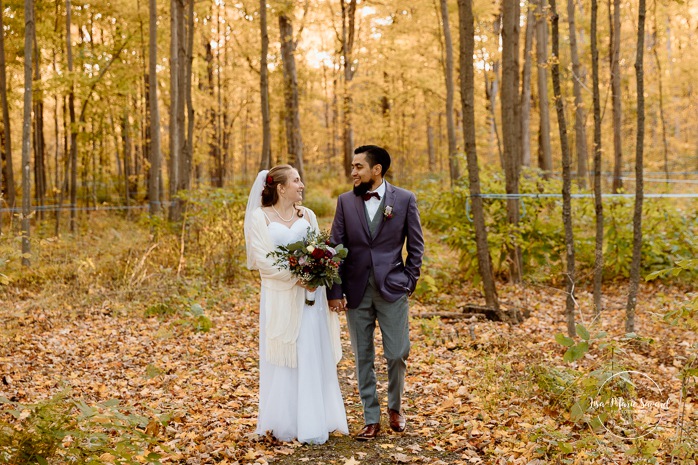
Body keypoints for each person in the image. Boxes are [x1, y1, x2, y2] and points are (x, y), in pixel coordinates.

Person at [244, 164, 348, 444]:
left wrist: (317, 272)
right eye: (296, 180)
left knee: (312, 351)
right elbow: (262, 262)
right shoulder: (260, 217)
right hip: (281, 297)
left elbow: (321, 250)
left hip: (311, 298)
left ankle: (318, 418)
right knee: (288, 355)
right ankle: (286, 421)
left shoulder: (308, 215)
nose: (302, 185)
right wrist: (297, 277)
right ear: (280, 187)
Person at [327, 145, 424, 440]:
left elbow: (416, 246)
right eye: (353, 167)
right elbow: (335, 247)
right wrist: (335, 290)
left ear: (376, 170)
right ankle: (371, 417)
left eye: (358, 167)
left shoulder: (405, 199)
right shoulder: (345, 202)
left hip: (392, 289)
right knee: (362, 356)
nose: (353, 172)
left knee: (397, 353)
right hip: (356, 291)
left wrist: (408, 280)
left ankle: (395, 407)